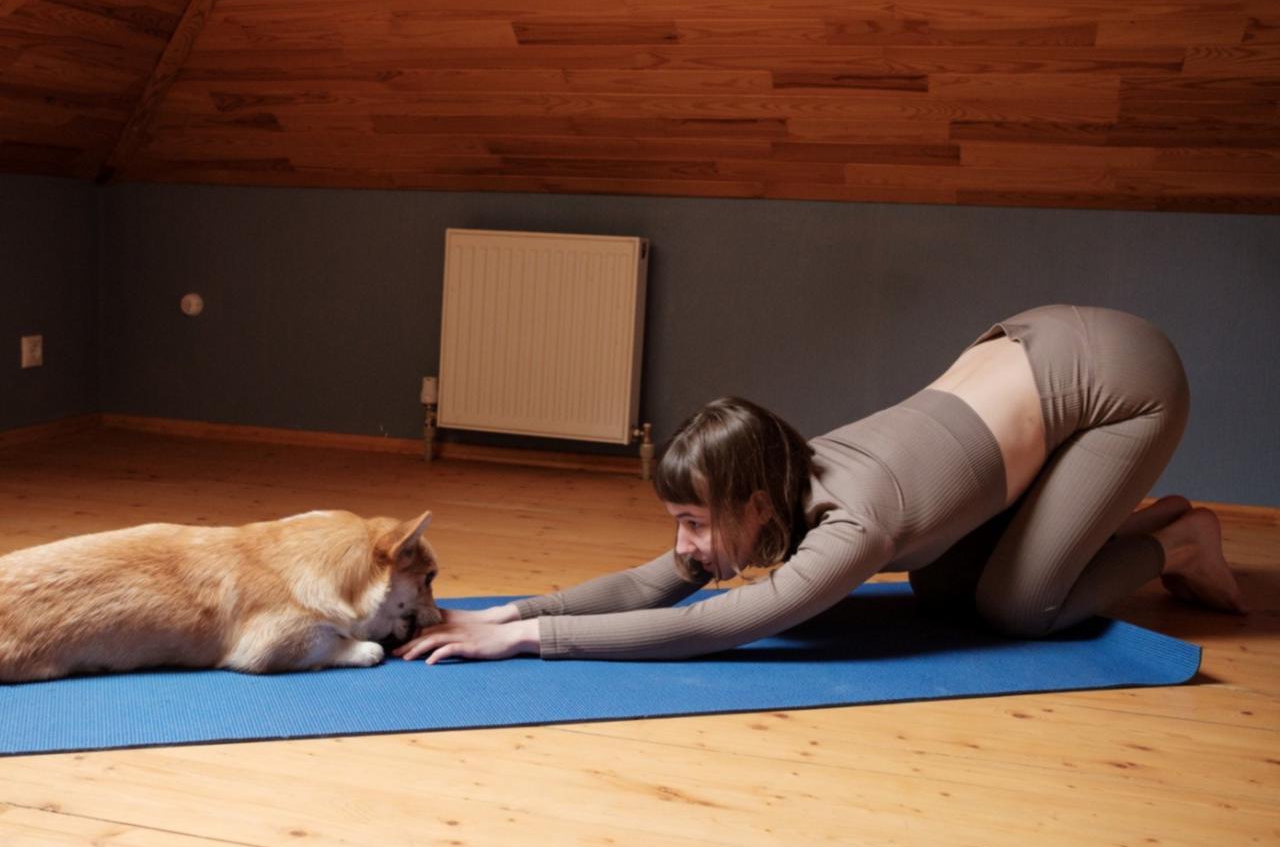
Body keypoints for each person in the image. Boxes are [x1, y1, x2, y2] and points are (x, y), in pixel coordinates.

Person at [396, 305, 1245, 665]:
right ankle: (1138, 524)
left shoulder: (854, 522)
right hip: (1033, 344)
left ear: (754, 505)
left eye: (693, 522)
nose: (685, 544)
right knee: (942, 585)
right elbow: (658, 584)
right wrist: (507, 613)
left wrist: (527, 643)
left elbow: (713, 624)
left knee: (1018, 609)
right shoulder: (771, 472)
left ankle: (1178, 539)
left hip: (1121, 382)